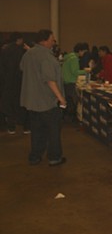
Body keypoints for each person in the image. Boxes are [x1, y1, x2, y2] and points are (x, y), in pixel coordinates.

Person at [20, 29, 66, 166]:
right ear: (45, 41)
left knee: (37, 131)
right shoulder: (46, 57)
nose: (53, 41)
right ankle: (54, 157)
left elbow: (22, 68)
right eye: (52, 39)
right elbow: (50, 80)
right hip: (47, 102)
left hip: (32, 101)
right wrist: (61, 98)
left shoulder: (29, 54)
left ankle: (35, 156)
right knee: (53, 130)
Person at [1, 32, 29, 134]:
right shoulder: (22, 50)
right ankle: (26, 127)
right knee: (23, 104)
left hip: (7, 82)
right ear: (19, 39)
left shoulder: (4, 51)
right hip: (21, 81)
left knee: (9, 105)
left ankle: (11, 127)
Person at [62, 43, 86, 121]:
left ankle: (67, 117)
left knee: (68, 101)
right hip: (71, 82)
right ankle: (71, 118)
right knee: (73, 101)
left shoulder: (68, 57)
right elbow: (75, 72)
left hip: (65, 81)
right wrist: (86, 71)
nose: (84, 54)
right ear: (80, 51)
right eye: (83, 52)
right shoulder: (74, 58)